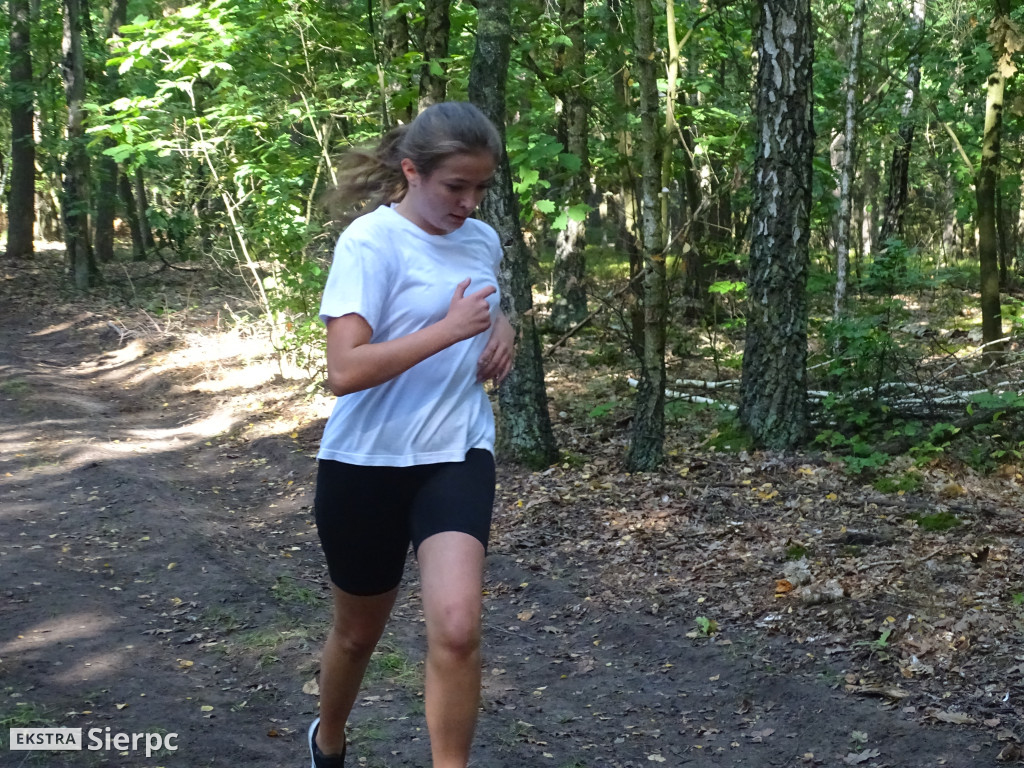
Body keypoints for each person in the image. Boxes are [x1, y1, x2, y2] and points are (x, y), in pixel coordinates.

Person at [307, 101, 515, 768]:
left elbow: (484, 305)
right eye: (456, 186)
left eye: (481, 187)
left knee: (456, 631)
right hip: (366, 462)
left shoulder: (482, 240)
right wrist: (448, 332)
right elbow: (345, 369)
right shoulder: (371, 242)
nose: (470, 202)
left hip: (455, 453)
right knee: (357, 635)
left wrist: (502, 326)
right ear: (411, 172)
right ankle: (329, 739)